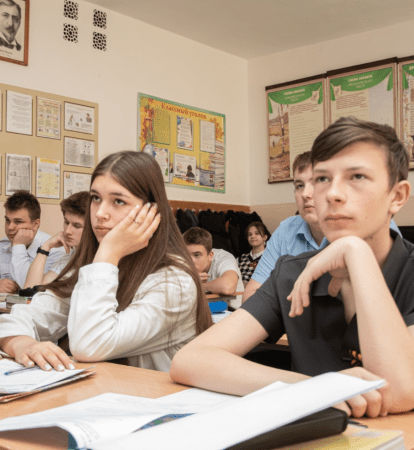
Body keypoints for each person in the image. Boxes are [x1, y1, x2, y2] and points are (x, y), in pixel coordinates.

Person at [171, 117, 414, 418]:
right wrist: (318, 389)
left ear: (397, 196)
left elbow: (400, 391)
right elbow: (189, 360)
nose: (332, 194)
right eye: (322, 179)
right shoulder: (291, 272)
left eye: (357, 176)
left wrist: (357, 253)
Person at [0, 151, 212, 372]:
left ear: (151, 211)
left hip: (158, 395)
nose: (99, 213)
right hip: (106, 391)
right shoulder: (93, 266)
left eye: (118, 201)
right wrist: (21, 343)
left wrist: (108, 254)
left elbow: (89, 345)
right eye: (96, 198)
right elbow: (19, 318)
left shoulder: (175, 282)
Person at [243, 151, 401, 302]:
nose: (305, 194)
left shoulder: (375, 225)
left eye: (316, 182)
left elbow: (398, 298)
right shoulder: (286, 230)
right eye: (299, 185)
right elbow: (251, 295)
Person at [0, 190, 64, 293]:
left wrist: (18, 246)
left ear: (35, 224)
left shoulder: (54, 249)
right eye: (8, 220)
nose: (10, 227)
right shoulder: (2, 245)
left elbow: (31, 289)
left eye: (18, 222)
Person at [24, 191, 90, 288]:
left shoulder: (99, 259)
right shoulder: (71, 256)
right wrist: (46, 246)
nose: (68, 231)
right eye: (66, 222)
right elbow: (30, 288)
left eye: (77, 226)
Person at [183, 227, 244, 295]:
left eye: (197, 255)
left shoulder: (223, 257)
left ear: (210, 255)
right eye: (186, 255)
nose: (191, 260)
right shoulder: (181, 260)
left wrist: (194, 285)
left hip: (231, 302)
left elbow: (227, 287)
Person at [237, 221, 271, 286]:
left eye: (257, 233)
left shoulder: (271, 259)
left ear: (265, 237)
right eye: (250, 234)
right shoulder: (240, 259)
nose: (252, 236)